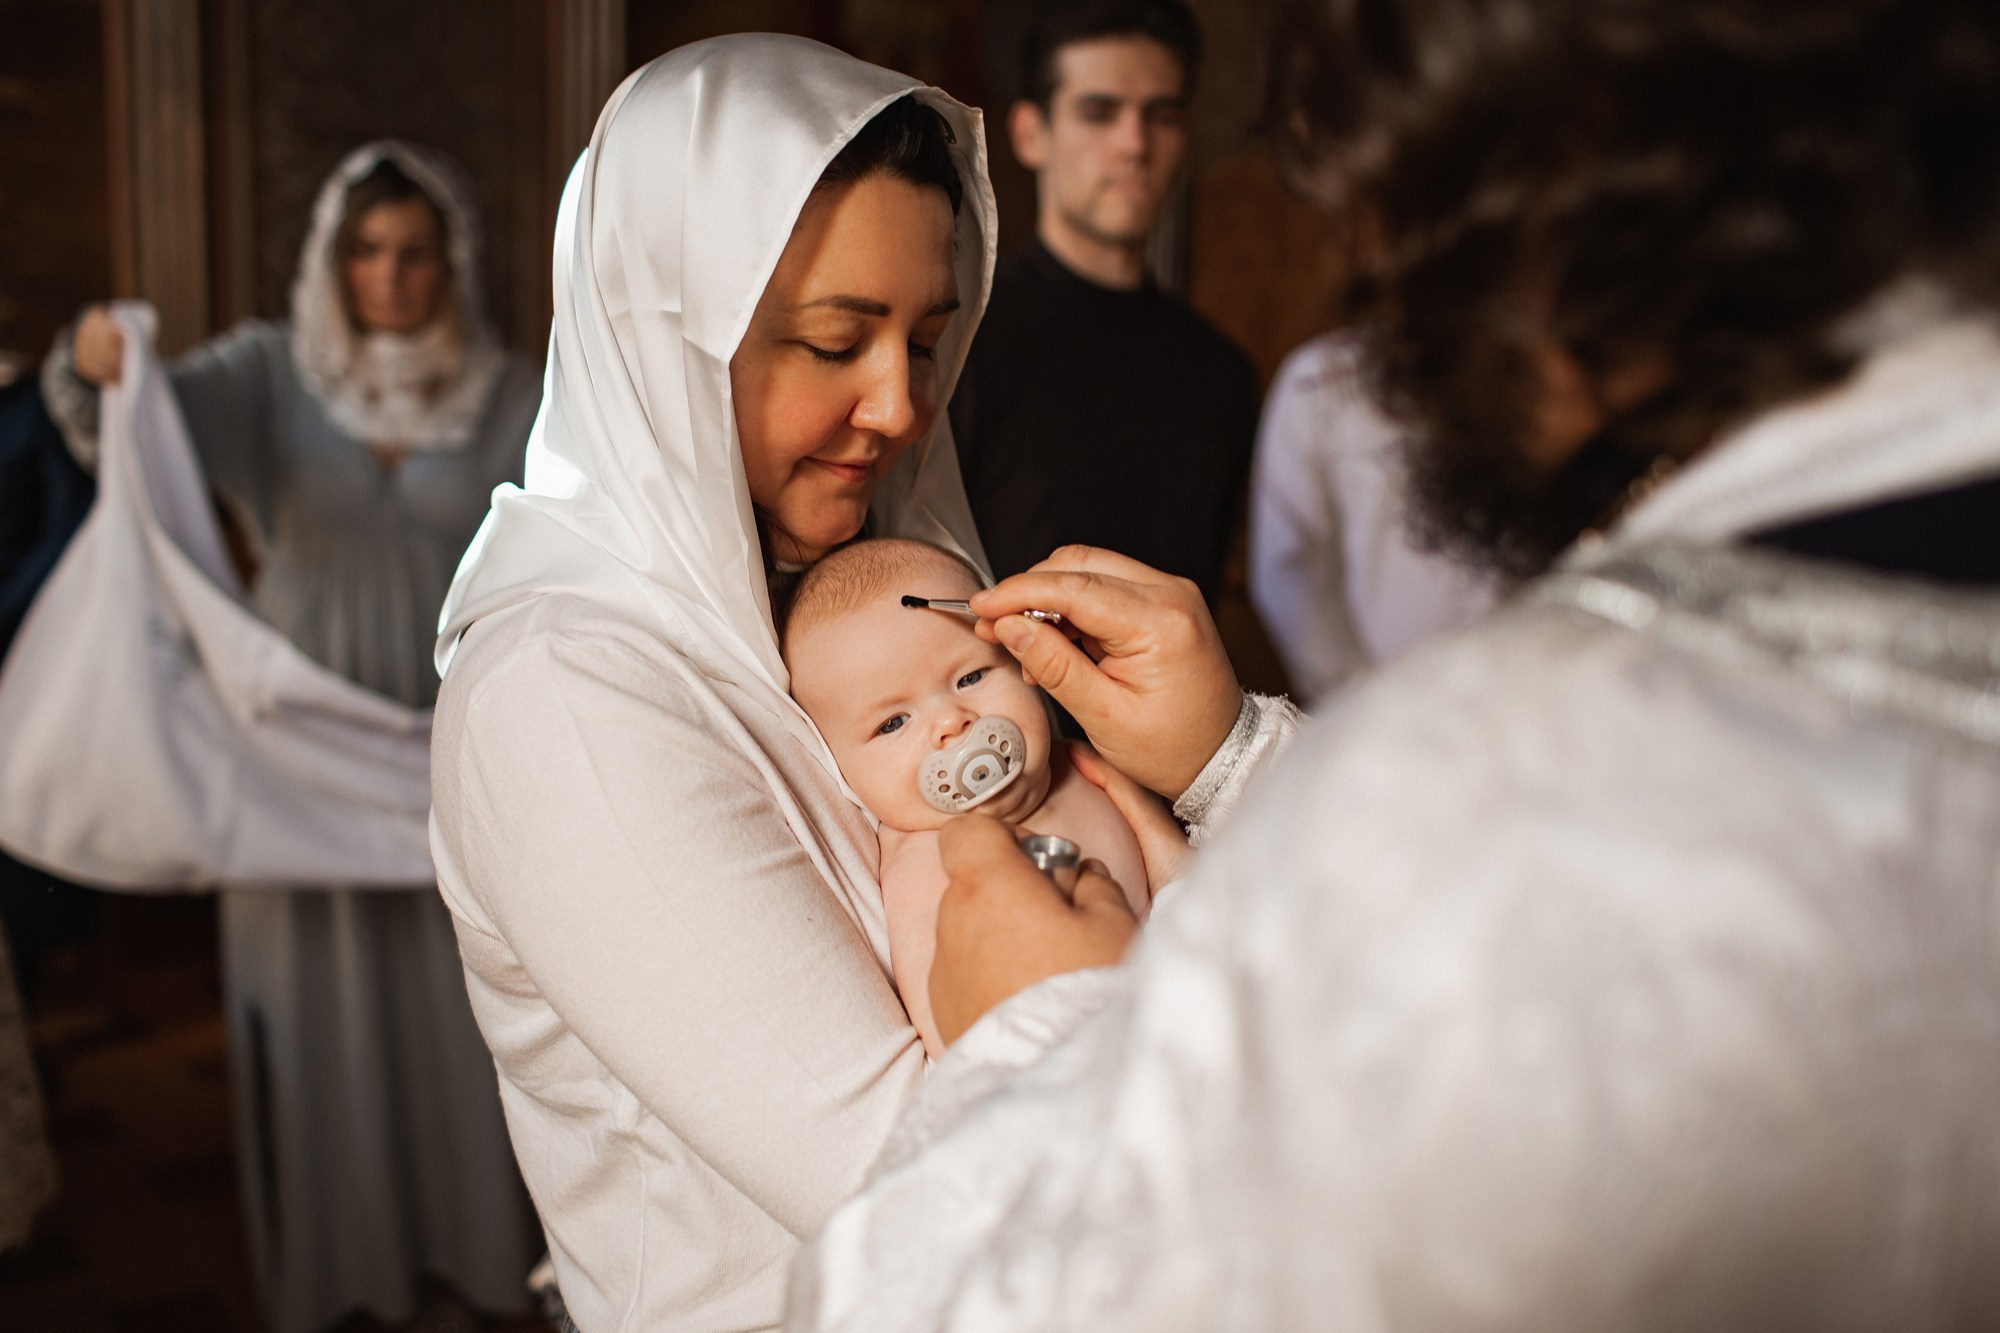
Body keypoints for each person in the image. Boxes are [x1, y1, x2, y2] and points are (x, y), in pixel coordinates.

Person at [783, 0, 2000, 1326]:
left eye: (1396, 217)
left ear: (1539, 188)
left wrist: (1037, 1025)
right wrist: (1236, 758)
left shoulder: (1498, 778)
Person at [426, 37, 1002, 1330]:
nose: (901, 406)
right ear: (659, 338)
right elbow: (914, 1185)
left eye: (925, 338)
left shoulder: (864, 579)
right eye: (835, 339)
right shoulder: (566, 696)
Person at [43, 143, 541, 1333]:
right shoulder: (271, 373)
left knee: (466, 1006)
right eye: (367, 250)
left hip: (446, 741)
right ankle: (336, 1271)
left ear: (451, 264)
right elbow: (112, 409)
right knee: (310, 1010)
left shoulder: (513, 388)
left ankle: (477, 1256)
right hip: (292, 747)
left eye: (415, 252)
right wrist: (86, 352)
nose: (391, 275)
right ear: (332, 259)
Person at [779, 537, 1154, 1055]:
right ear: (843, 772)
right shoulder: (921, 867)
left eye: (971, 676)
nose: (951, 724)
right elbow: (951, 1030)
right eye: (893, 723)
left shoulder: (1086, 765)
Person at [948, 0, 1259, 606]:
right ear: (1030, 134)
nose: (1135, 143)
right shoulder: (961, 339)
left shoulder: (1223, 373)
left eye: (1162, 115)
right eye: (1099, 113)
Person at [1249, 331, 1497, 704]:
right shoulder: (1325, 378)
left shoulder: (1532, 378)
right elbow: (1288, 567)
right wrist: (1360, 701)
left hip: (1515, 697)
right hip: (1371, 703)